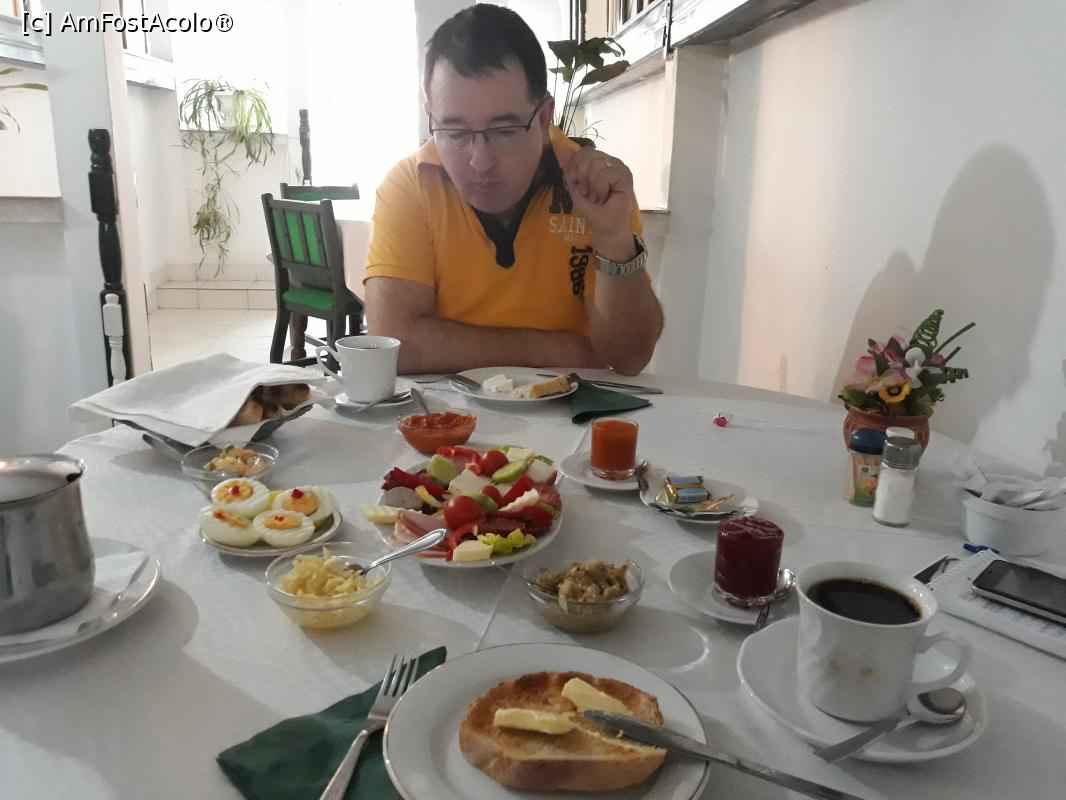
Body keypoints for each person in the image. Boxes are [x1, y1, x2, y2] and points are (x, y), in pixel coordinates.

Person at [363, 4, 663, 376]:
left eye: (504, 131)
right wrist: (558, 349)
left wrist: (614, 238)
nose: (480, 162)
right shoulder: (411, 183)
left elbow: (629, 357)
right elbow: (393, 343)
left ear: (545, 118)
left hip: (571, 406)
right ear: (432, 118)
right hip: (447, 409)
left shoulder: (593, 186)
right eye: (454, 132)